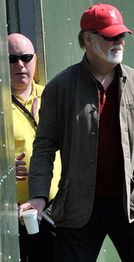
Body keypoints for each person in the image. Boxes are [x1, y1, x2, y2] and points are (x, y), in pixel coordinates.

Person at [18, 3, 134, 262]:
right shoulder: (60, 88)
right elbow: (44, 146)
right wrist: (39, 196)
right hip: (78, 206)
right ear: (87, 39)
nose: (119, 42)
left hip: (132, 202)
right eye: (110, 36)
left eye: (121, 35)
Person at [8, 33, 61, 262]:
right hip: (13, 214)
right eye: (12, 58)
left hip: (54, 208)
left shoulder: (51, 95)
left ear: (35, 60)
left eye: (26, 57)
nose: (20, 64)